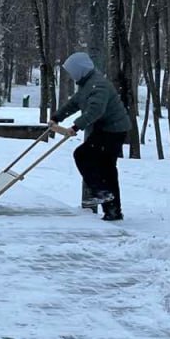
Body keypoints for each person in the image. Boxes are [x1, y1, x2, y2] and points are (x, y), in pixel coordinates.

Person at [48, 51, 131, 221]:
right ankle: (112, 209)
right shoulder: (87, 84)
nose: (72, 76)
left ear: (80, 70)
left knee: (84, 156)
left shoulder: (98, 85)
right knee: (106, 168)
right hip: (104, 129)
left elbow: (96, 110)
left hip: (113, 130)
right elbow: (74, 103)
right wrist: (57, 117)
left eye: (72, 72)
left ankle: (102, 193)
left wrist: (76, 126)